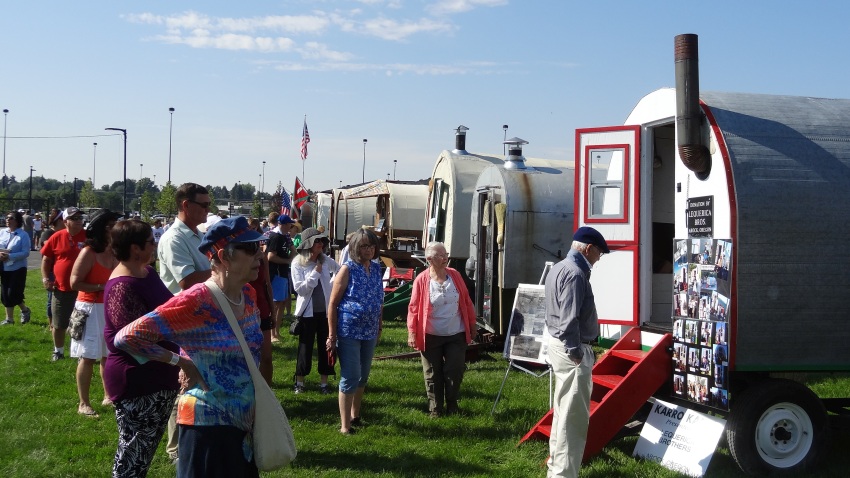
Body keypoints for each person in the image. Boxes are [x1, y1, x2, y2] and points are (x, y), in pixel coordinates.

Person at [115, 216, 265, 477]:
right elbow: (127, 337)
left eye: (259, 248)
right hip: (206, 426)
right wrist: (180, 361)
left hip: (244, 426)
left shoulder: (249, 294)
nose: (259, 256)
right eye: (250, 249)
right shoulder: (195, 301)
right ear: (224, 257)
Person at [544, 226, 609, 478]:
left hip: (560, 345)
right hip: (572, 348)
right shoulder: (576, 273)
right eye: (599, 253)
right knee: (573, 419)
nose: (599, 258)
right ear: (588, 249)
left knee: (563, 413)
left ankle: (556, 468)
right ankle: (563, 474)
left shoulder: (559, 267)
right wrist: (576, 352)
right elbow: (569, 318)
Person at [156, 182, 214, 462]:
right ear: (185, 206)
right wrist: (219, 270)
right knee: (186, 381)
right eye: (204, 205)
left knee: (199, 380)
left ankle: (197, 436)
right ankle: (176, 448)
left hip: (203, 317)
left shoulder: (196, 235)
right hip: (184, 320)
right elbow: (187, 281)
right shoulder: (173, 239)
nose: (208, 209)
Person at [406, 242, 476, 417]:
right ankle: (435, 409)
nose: (445, 258)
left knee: (455, 370)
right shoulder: (422, 280)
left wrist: (472, 325)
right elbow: (413, 308)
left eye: (446, 254)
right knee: (432, 373)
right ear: (429, 259)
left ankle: (452, 405)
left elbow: (466, 301)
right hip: (430, 335)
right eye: (440, 255)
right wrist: (412, 332)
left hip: (456, 333)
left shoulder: (455, 275)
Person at [326, 228, 383, 435]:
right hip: (349, 330)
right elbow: (332, 303)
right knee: (351, 375)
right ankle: (344, 426)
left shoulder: (377, 269)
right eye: (364, 246)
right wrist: (332, 335)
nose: (369, 250)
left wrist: (379, 324)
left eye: (372, 246)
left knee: (363, 376)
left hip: (369, 330)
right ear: (356, 248)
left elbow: (379, 299)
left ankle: (355, 415)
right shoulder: (347, 269)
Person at [69, 209, 122, 417]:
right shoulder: (88, 252)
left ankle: (108, 395)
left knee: (107, 355)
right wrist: (103, 286)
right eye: (110, 226)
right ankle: (83, 403)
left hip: (110, 308)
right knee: (88, 356)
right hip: (89, 308)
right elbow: (75, 282)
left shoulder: (117, 251)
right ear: (100, 229)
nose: (115, 229)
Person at [291, 227, 340, 394]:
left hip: (326, 313)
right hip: (307, 314)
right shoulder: (297, 263)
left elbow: (340, 271)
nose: (321, 244)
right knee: (305, 348)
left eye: (321, 241)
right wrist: (316, 273)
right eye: (317, 241)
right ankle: (300, 382)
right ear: (308, 244)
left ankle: (324, 384)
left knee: (326, 347)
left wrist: (332, 286)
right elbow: (301, 290)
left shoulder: (326, 260)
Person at [41, 207, 87, 361]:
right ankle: (58, 351)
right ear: (66, 221)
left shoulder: (88, 237)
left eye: (80, 218)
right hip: (61, 288)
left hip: (84, 289)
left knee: (82, 323)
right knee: (59, 323)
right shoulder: (56, 237)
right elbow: (46, 260)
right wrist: (46, 279)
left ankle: (81, 352)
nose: (79, 221)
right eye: (75, 218)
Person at [248, 217, 275, 385]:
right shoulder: (239, 260)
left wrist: (272, 310)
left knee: (266, 357)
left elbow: (267, 285)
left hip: (263, 308)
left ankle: (267, 394)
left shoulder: (263, 258)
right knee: (249, 358)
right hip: (244, 310)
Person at [266, 214, 296, 341]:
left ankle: (276, 332)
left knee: (282, 302)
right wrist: (288, 261)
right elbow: (270, 257)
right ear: (283, 224)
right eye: (289, 224)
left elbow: (292, 250)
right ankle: (272, 334)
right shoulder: (275, 237)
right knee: (276, 304)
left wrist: (293, 254)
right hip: (276, 273)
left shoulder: (285, 236)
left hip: (282, 274)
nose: (291, 226)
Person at [0, 210, 33, 325]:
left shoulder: (23, 235)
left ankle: (25, 310)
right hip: (4, 267)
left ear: (17, 221)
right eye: (7, 217)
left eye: (11, 218)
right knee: (4, 294)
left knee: (13, 293)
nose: (7, 220)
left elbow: (25, 253)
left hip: (18, 268)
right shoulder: (2, 232)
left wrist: (10, 256)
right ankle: (9, 319)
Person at [40, 209, 65, 324]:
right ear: (59, 221)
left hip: (62, 271)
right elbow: (50, 249)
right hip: (51, 271)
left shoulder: (65, 234)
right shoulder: (48, 233)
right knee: (52, 298)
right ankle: (51, 323)